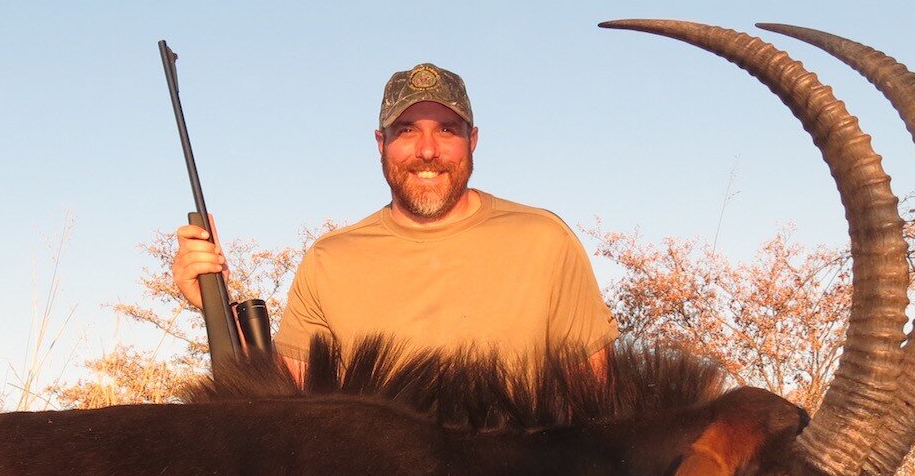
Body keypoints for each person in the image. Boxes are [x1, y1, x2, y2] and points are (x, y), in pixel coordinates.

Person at [172, 63, 617, 383]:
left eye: (446, 129)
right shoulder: (330, 260)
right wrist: (215, 305)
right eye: (406, 130)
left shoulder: (544, 240)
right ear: (380, 143)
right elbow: (289, 412)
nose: (427, 151)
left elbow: (595, 407)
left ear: (473, 141)